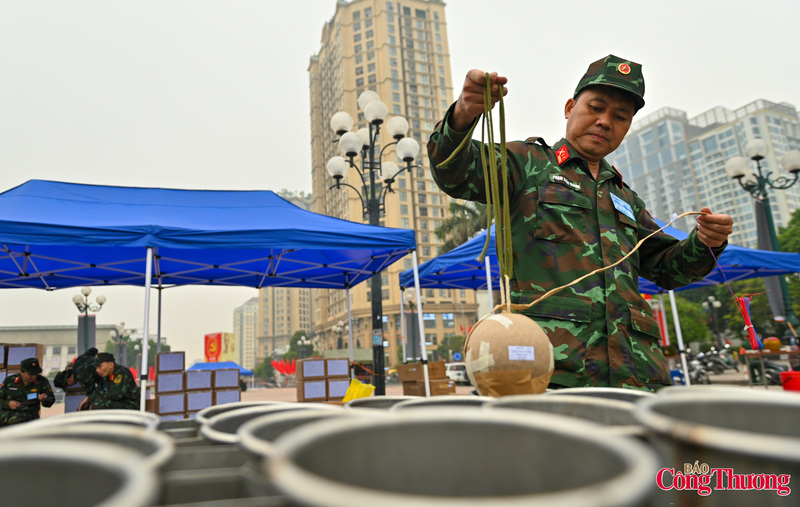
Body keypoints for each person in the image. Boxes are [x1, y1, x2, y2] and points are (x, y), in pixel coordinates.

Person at [428, 55, 734, 391]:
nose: (605, 121)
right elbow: (454, 171)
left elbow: (667, 269)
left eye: (620, 116)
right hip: (552, 372)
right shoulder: (527, 164)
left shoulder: (626, 198)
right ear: (570, 107)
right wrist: (463, 113)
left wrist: (707, 241)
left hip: (635, 376)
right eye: (596, 108)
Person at [0, 358, 55, 426]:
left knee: (17, 421)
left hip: (28, 415)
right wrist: (8, 403)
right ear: (22, 372)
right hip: (6, 413)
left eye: (36, 374)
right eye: (31, 374)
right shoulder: (10, 381)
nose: (34, 376)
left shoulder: (42, 381)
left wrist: (45, 399)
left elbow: (50, 401)